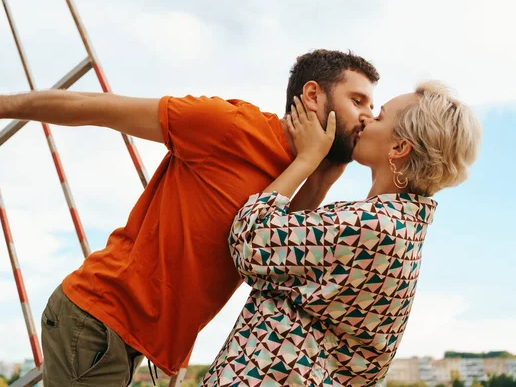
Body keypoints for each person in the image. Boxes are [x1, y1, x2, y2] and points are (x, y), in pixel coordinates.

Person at [0, 50, 380, 386]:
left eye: (373, 108)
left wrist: (322, 175)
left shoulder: (298, 172)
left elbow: (268, 258)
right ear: (312, 95)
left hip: (125, 340)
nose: (368, 115)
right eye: (357, 99)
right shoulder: (230, 125)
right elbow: (98, 108)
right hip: (97, 319)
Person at [200, 82, 482, 386]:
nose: (366, 119)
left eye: (380, 117)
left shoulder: (372, 227)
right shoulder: (400, 230)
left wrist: (306, 160)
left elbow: (250, 240)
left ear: (400, 148)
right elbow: (283, 263)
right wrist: (319, 182)